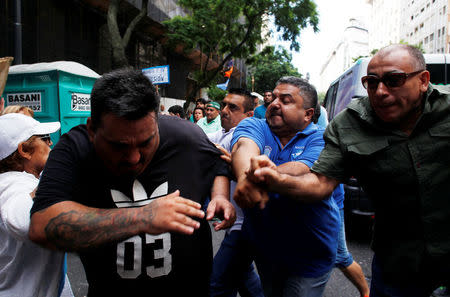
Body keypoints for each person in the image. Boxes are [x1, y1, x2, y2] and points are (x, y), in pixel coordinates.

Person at [242, 44, 450, 296]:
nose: (381, 91)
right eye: (371, 83)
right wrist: (275, 180)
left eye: (393, 80)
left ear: (423, 80)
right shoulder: (349, 125)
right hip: (397, 264)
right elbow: (319, 183)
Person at [28, 69, 236, 297]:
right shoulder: (75, 148)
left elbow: (219, 164)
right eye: (119, 146)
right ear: (92, 129)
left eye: (146, 143)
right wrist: (143, 216)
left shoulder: (185, 136)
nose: (134, 158)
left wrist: (219, 196)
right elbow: (42, 225)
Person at [231, 76, 340, 297]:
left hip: (310, 255)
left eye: (286, 100)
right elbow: (245, 147)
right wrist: (246, 177)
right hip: (266, 251)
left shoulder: (321, 138)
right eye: (274, 97)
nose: (274, 104)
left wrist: (260, 175)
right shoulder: (255, 124)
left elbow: (304, 168)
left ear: (308, 114)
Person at [0, 113, 66, 297]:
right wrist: (57, 170)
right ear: (25, 150)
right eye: (45, 139)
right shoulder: (11, 184)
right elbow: (23, 222)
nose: (50, 143)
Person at [207, 88, 263, 297]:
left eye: (233, 107)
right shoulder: (220, 134)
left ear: (249, 115)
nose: (224, 110)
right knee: (244, 277)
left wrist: (235, 163)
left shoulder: (246, 140)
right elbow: (198, 136)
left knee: (217, 284)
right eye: (224, 105)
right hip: (235, 224)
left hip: (244, 226)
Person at [314, 104, 370, 297]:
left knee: (341, 256)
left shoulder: (321, 139)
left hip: (331, 206)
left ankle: (366, 292)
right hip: (317, 209)